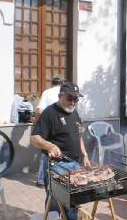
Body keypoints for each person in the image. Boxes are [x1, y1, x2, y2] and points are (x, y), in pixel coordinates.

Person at [30, 82, 90, 220]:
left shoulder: (74, 112)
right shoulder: (49, 113)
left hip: (76, 164)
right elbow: (34, 138)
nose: (73, 102)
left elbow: (78, 135)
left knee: (73, 201)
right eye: (70, 98)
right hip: (57, 166)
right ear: (60, 96)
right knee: (55, 203)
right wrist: (49, 146)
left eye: (76, 99)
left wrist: (84, 154)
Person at [34, 74, 65, 188]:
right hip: (63, 125)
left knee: (46, 152)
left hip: (49, 126)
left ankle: (42, 180)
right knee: (60, 151)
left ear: (52, 83)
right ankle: (59, 178)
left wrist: (36, 124)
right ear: (62, 83)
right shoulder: (64, 93)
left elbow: (39, 110)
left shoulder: (47, 92)